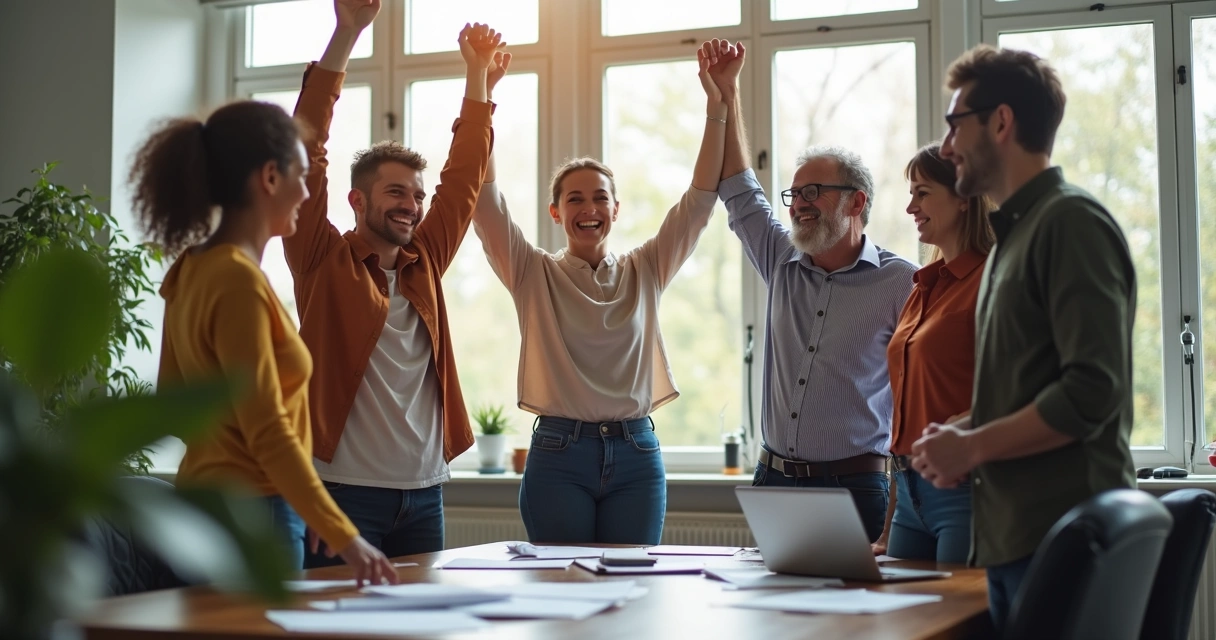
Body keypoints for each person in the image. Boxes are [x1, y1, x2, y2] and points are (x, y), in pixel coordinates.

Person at [469, 40, 735, 544]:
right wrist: (481, 90)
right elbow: (485, 201)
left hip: (637, 454)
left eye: (599, 198)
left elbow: (700, 201)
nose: (588, 208)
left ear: (616, 210)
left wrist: (717, 105)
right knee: (561, 582)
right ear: (556, 212)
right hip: (558, 455)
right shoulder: (532, 272)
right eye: (574, 199)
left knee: (633, 583)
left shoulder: (646, 267)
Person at [910, 44, 1137, 633]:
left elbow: (1090, 391)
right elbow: (1028, 389)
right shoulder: (1013, 240)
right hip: (1016, 539)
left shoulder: (1071, 223)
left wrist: (972, 447)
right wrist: (961, 431)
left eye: (956, 124)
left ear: (1001, 122)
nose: (947, 146)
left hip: (1062, 542)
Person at [131, 98, 397, 585]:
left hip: (202, 507)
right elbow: (269, 427)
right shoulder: (237, 280)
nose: (306, 191)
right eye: (301, 175)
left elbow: (174, 400)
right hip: (254, 515)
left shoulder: (190, 268)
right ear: (270, 178)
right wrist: (339, 531)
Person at [284, 0, 500, 566]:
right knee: (339, 615)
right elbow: (305, 150)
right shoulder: (320, 257)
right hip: (344, 491)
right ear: (357, 200)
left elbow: (463, 179)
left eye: (417, 195)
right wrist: (346, 33)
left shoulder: (424, 259)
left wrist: (477, 75)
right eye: (396, 192)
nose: (412, 205)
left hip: (424, 494)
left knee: (422, 615)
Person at [706, 44, 917, 542]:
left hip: (857, 487)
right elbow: (738, 189)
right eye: (794, 194)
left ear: (856, 202)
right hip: (773, 481)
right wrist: (727, 93)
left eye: (812, 192)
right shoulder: (781, 261)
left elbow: (917, 401)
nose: (798, 204)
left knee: (855, 598)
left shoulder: (903, 283)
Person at [871, 143, 994, 563]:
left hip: (966, 493)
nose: (911, 207)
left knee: (957, 608)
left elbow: (1013, 392)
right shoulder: (922, 286)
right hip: (908, 499)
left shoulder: (993, 280)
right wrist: (889, 523)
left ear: (963, 198)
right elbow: (902, 420)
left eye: (922, 193)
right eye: (911, 194)